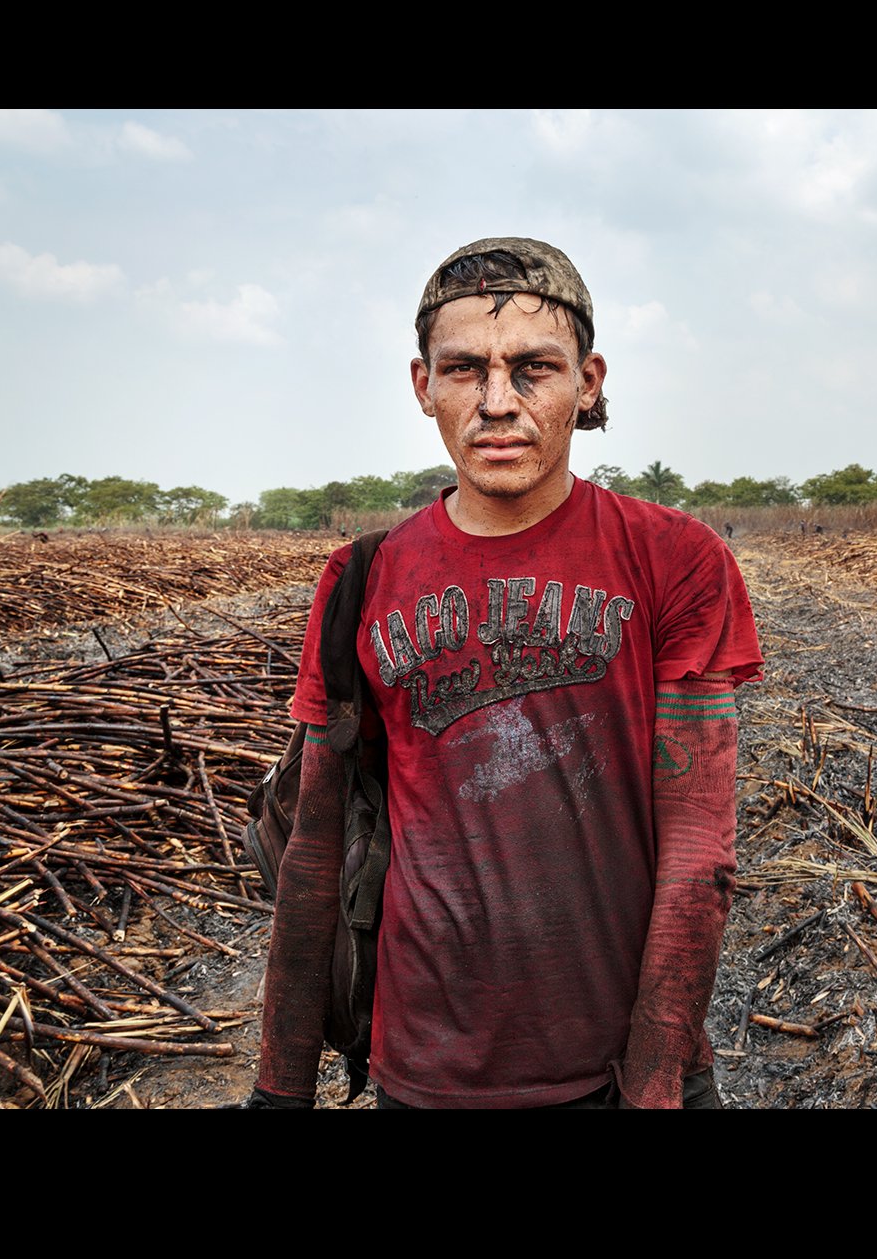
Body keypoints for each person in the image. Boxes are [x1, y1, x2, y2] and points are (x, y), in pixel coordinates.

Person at [243, 237, 763, 1108]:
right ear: (423, 386)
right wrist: (280, 1088)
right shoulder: (359, 580)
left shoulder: (676, 560)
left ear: (587, 382)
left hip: (613, 1069)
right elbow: (314, 851)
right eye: (463, 371)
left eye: (533, 369)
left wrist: (659, 1078)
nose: (497, 404)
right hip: (423, 1069)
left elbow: (698, 856)